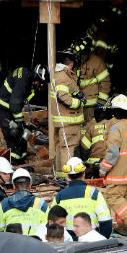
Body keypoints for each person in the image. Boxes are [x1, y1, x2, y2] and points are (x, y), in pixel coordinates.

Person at [99, 94, 127, 235]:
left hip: (118, 174)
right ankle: (124, 227)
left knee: (113, 197)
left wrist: (103, 168)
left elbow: (113, 153)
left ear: (115, 111)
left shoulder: (116, 128)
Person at [0, 64, 48, 164]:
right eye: (38, 82)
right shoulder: (23, 80)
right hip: (4, 107)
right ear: (36, 76)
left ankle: (21, 161)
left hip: (10, 107)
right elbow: (15, 102)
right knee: (13, 133)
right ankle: (13, 163)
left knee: (20, 134)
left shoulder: (26, 75)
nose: (38, 84)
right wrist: (19, 121)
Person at [50, 157, 112, 240]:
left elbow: (52, 223)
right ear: (84, 174)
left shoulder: (60, 197)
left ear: (68, 176)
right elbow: (105, 221)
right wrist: (102, 241)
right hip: (91, 240)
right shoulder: (94, 193)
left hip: (69, 241)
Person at [51, 49, 85, 177]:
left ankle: (61, 175)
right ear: (71, 64)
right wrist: (79, 102)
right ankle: (68, 177)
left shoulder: (60, 75)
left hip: (64, 120)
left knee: (62, 148)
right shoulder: (63, 77)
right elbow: (63, 97)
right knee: (68, 148)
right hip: (68, 120)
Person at [0, 168, 48, 235]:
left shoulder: (4, 204)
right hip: (34, 244)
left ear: (13, 186)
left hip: (12, 244)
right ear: (30, 185)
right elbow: (47, 230)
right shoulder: (41, 205)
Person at [73, 36, 111, 122]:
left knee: (90, 128)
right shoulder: (74, 62)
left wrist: (100, 103)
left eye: (82, 55)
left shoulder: (97, 62)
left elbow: (105, 83)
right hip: (76, 105)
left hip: (91, 106)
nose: (79, 57)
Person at [80, 106, 112, 175]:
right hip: (112, 163)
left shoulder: (92, 127)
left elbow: (84, 147)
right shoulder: (116, 126)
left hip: (94, 165)